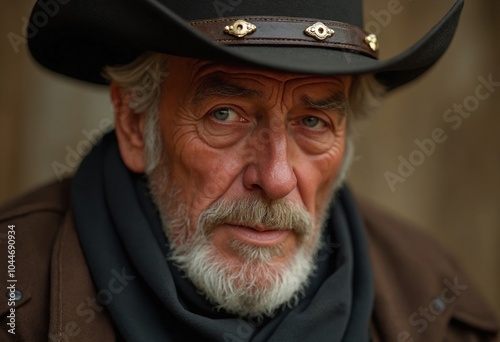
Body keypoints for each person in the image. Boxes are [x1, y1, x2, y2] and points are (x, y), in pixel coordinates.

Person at [0, 0, 498, 341]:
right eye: (225, 114)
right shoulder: (15, 292)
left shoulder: (438, 302)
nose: (277, 178)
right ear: (135, 122)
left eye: (312, 121)